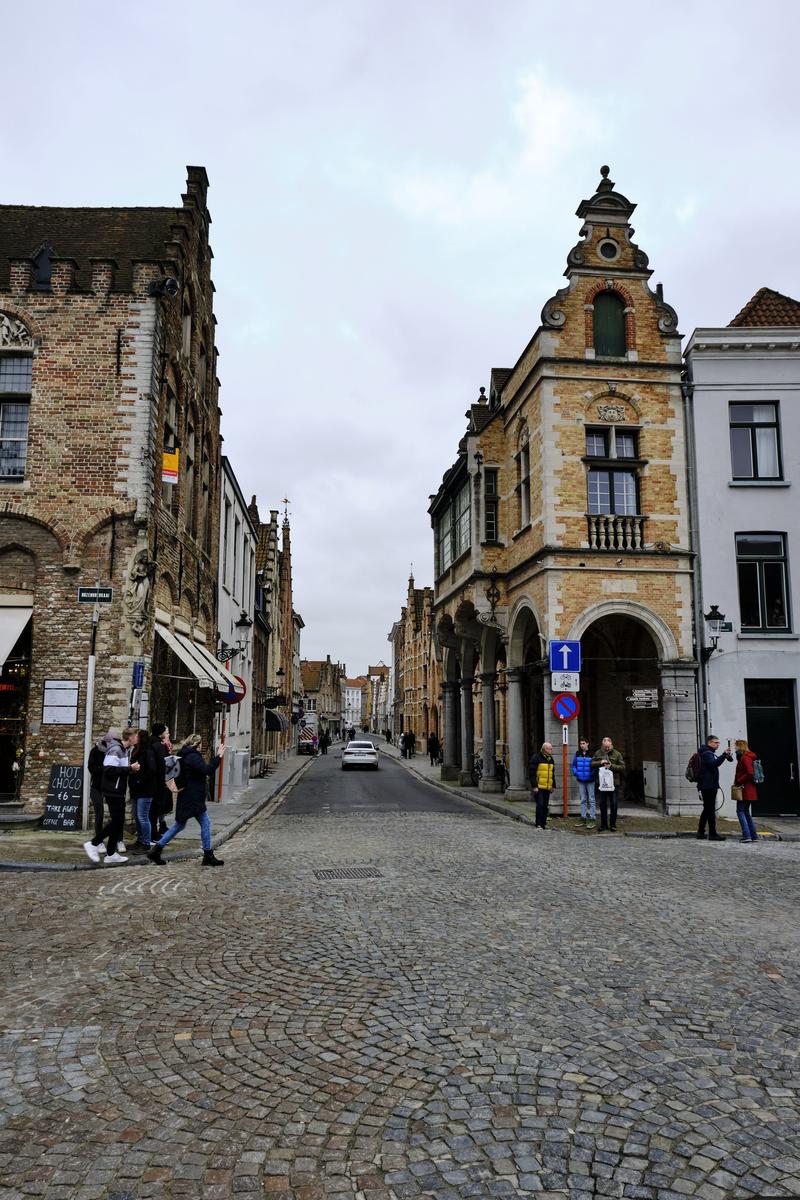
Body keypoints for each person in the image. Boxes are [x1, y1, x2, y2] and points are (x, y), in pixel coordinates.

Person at [148, 734, 225, 866]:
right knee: (205, 824)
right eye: (201, 744)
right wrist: (218, 756)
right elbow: (207, 770)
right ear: (197, 744)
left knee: (179, 825)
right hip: (193, 798)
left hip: (187, 797)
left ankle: (156, 850)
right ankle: (208, 855)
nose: (201, 746)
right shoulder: (193, 757)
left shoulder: (184, 754)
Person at [88, 727, 140, 864]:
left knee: (118, 822)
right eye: (136, 736)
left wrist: (131, 770)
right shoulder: (116, 749)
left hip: (118, 790)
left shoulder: (124, 750)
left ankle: (110, 854)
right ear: (129, 737)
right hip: (112, 791)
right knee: (117, 821)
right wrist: (130, 768)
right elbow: (109, 770)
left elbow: (119, 771)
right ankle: (93, 844)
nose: (137, 739)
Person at [83, 727, 119, 862]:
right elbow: (91, 767)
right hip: (97, 786)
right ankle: (98, 842)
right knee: (99, 813)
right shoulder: (96, 751)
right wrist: (105, 769)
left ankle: (115, 841)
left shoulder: (114, 751)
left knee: (114, 815)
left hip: (109, 787)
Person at [695, 734, 733, 841]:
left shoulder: (707, 752)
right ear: (709, 743)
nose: (718, 744)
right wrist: (723, 755)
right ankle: (712, 834)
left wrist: (725, 756)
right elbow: (713, 764)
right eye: (716, 743)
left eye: (718, 742)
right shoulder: (707, 753)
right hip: (708, 786)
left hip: (708, 785)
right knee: (710, 810)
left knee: (707, 809)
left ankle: (701, 832)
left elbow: (718, 762)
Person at [129, 728, 159, 853]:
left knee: (143, 817)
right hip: (136, 789)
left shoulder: (148, 752)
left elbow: (152, 770)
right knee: (136, 816)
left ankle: (146, 843)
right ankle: (140, 840)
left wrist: (140, 779)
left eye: (136, 736)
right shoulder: (136, 750)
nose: (133, 738)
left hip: (145, 789)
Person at [591, 737, 625, 832]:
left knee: (614, 804)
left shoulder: (617, 754)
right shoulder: (598, 753)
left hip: (614, 784)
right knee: (602, 804)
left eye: (608, 747)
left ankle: (613, 824)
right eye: (605, 747)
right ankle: (603, 824)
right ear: (602, 745)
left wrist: (612, 766)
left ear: (611, 745)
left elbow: (622, 767)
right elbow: (592, 764)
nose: (606, 749)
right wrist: (600, 762)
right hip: (602, 784)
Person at [150, 723, 174, 837]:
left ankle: (159, 827)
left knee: (155, 808)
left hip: (155, 781)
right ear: (161, 733)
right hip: (159, 782)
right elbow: (163, 764)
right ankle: (154, 833)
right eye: (166, 731)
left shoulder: (156, 744)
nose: (168, 733)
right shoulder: (159, 746)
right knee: (156, 807)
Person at [733, 738, 759, 843]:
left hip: (744, 789)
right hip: (748, 789)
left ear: (740, 746)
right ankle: (753, 836)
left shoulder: (745, 758)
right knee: (746, 812)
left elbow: (750, 773)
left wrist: (739, 780)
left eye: (736, 746)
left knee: (740, 811)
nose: (735, 748)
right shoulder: (746, 757)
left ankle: (747, 835)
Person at [529, 742, 556, 829]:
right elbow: (532, 773)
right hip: (539, 787)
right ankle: (538, 823)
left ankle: (544, 823)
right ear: (545, 749)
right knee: (540, 805)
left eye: (551, 748)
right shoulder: (536, 758)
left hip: (547, 786)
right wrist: (534, 786)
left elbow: (552, 774)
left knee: (545, 806)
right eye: (550, 749)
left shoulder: (551, 759)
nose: (551, 750)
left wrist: (553, 785)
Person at [572, 737, 596, 828]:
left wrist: (593, 774)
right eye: (580, 744)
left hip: (590, 780)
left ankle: (592, 818)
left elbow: (595, 766)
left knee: (591, 799)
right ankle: (583, 817)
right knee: (583, 799)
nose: (582, 745)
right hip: (581, 780)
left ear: (587, 743)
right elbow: (574, 765)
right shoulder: (577, 754)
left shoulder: (592, 754)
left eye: (583, 743)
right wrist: (576, 773)